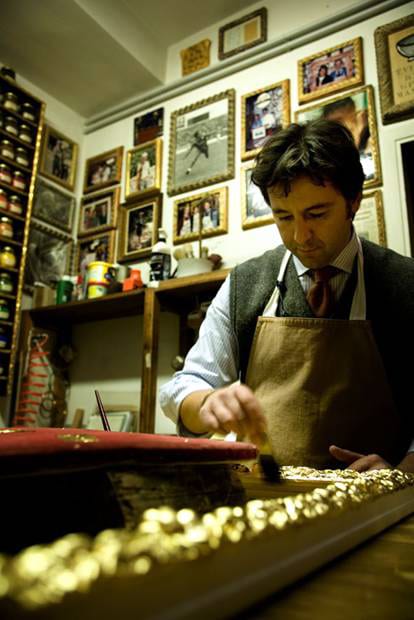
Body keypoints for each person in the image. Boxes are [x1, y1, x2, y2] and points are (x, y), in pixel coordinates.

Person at [160, 119, 414, 473]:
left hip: (378, 498)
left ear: (353, 200)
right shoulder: (245, 284)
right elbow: (184, 386)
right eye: (283, 217)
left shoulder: (404, 283)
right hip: (269, 492)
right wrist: (207, 403)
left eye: (317, 214)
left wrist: (403, 471)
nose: (300, 236)